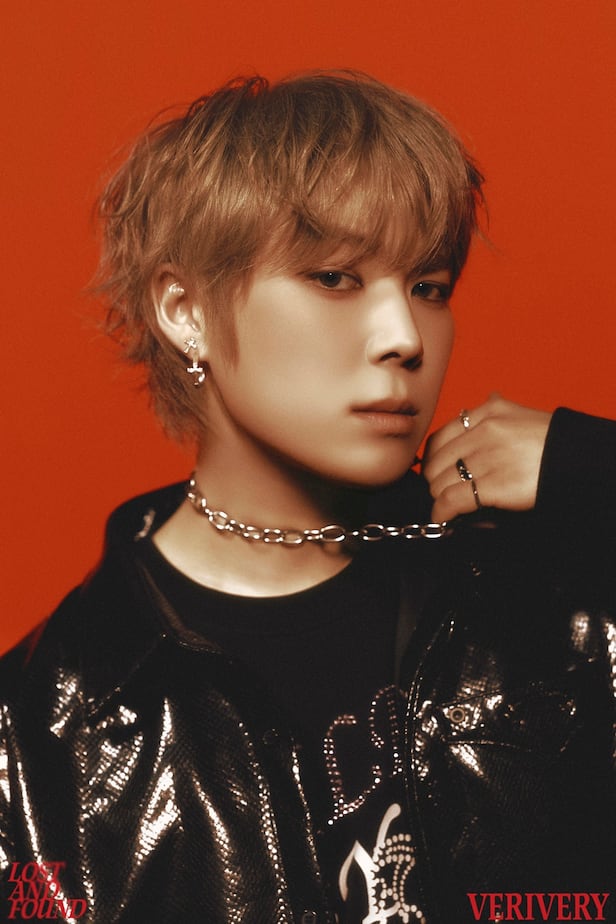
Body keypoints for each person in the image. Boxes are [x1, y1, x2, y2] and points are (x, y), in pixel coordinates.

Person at [1, 72, 615, 924]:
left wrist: (591, 468)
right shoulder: (40, 736)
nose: (404, 338)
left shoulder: (551, 592)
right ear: (185, 311)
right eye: (335, 278)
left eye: (429, 287)